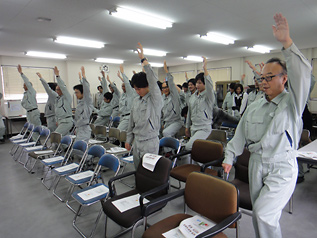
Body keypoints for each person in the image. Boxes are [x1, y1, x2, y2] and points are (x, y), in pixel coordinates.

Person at [222, 13, 311, 238]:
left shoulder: (293, 103)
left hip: (281, 166)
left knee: (263, 214)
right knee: (262, 216)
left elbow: (303, 76)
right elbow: (239, 135)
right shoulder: (254, 106)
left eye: (269, 77)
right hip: (256, 165)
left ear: (284, 78)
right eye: (262, 78)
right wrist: (228, 158)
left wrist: (287, 44)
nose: (264, 82)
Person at [125, 42, 162, 169]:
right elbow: (131, 123)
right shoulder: (136, 100)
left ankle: (149, 189)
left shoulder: (155, 99)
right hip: (137, 141)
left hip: (150, 142)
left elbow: (152, 79)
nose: (137, 91)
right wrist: (128, 139)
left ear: (147, 86)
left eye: (139, 88)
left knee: (148, 173)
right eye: (135, 88)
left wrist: (144, 60)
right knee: (138, 170)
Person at [185, 57, 215, 151]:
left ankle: (204, 165)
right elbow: (190, 112)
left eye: (200, 83)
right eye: (196, 83)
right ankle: (201, 165)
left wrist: (205, 69)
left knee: (189, 147)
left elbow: (210, 86)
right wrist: (187, 127)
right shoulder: (193, 96)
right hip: (194, 127)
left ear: (205, 84)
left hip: (204, 128)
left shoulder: (208, 96)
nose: (197, 85)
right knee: (197, 151)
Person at [161, 61, 183, 138]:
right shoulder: (162, 98)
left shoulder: (174, 96)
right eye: (163, 88)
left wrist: (167, 71)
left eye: (166, 87)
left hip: (176, 122)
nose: (165, 89)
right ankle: (171, 149)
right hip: (166, 122)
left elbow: (171, 83)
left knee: (166, 133)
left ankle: (169, 151)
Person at [73, 67, 94, 142]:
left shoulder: (87, 102)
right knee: (77, 150)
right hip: (79, 128)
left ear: (82, 93)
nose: (75, 94)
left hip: (84, 129)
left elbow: (86, 90)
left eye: (77, 92)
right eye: (75, 92)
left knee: (79, 151)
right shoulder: (80, 102)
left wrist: (84, 77)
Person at [117, 64, 137, 132]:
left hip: (128, 117)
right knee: (125, 134)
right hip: (122, 116)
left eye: (124, 86)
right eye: (122, 86)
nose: (123, 88)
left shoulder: (131, 93)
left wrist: (123, 73)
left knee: (118, 131)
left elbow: (127, 83)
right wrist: (120, 77)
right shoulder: (123, 95)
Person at [54, 66, 73, 135]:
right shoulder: (58, 99)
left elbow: (63, 87)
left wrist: (57, 76)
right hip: (60, 121)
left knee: (56, 135)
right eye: (56, 90)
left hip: (66, 121)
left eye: (58, 89)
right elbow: (57, 111)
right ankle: (67, 146)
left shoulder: (67, 97)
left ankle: (62, 146)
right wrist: (57, 120)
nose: (57, 91)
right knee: (65, 138)